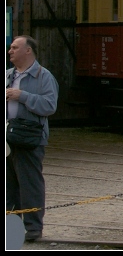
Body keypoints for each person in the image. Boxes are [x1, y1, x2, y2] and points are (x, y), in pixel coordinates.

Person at [6, 36, 59, 241]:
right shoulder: (8, 75)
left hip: (30, 139)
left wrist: (23, 96)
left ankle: (33, 228)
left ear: (28, 51)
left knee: (30, 184)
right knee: (8, 187)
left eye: (14, 47)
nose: (10, 51)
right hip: (7, 139)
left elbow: (49, 106)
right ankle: (11, 229)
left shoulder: (43, 76)